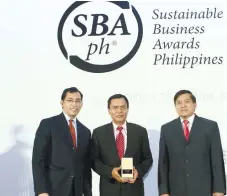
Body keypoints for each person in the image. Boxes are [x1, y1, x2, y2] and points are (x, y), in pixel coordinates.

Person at [158, 90, 226, 196]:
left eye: (187, 102)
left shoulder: (210, 126)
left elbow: (217, 161)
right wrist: (164, 192)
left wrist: (219, 191)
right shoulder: (167, 129)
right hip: (176, 191)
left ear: (194, 105)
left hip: (204, 190)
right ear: (175, 106)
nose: (183, 105)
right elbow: (163, 163)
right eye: (179, 103)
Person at [32, 87, 92, 196]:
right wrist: (41, 190)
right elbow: (38, 160)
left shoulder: (85, 131)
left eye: (78, 101)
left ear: (81, 104)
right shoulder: (48, 124)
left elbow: (86, 167)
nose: (74, 104)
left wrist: (88, 192)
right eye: (70, 100)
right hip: (53, 189)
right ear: (62, 103)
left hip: (77, 191)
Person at [92, 94, 153, 196]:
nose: (119, 111)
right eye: (115, 108)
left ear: (127, 109)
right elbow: (94, 161)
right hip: (109, 190)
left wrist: (138, 171)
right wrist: (110, 172)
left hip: (134, 190)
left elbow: (148, 159)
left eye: (123, 107)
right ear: (109, 110)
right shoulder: (99, 133)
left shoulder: (139, 131)